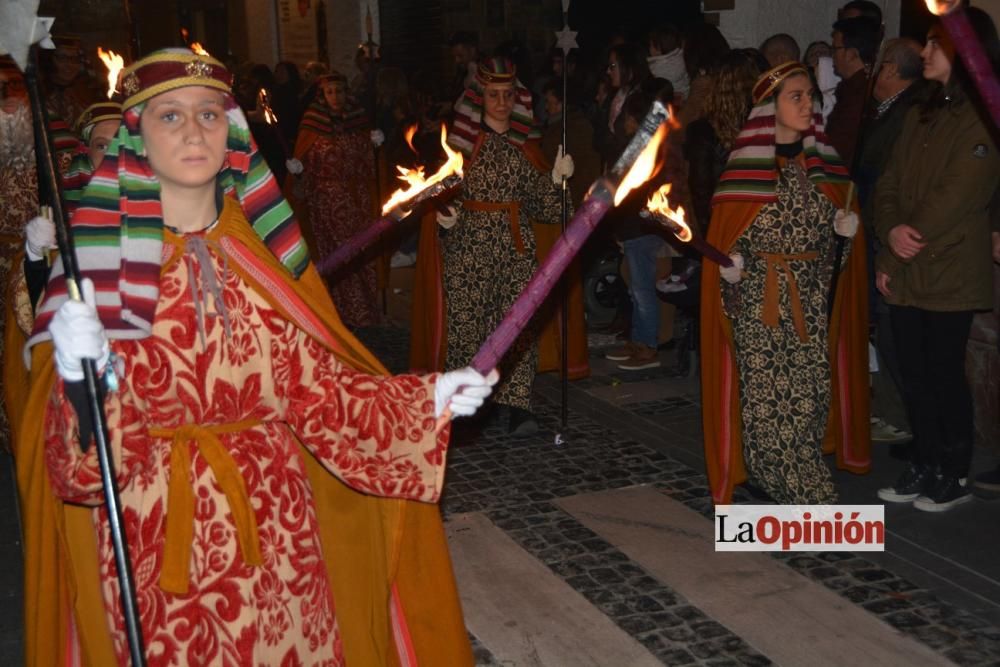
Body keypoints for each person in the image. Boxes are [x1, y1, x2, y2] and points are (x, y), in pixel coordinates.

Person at [18, 48, 496, 666]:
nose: (194, 130)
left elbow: (316, 389)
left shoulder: (257, 258)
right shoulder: (96, 269)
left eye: (210, 115)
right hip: (160, 543)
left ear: (234, 133)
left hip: (282, 542)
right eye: (170, 117)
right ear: (134, 139)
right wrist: (86, 379)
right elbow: (78, 471)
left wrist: (426, 397)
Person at [701, 61, 871, 504]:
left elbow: (835, 258)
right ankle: (777, 478)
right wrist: (730, 272)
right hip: (760, 303)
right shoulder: (741, 176)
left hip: (812, 303)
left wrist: (846, 235)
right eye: (795, 96)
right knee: (768, 396)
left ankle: (802, 470)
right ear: (768, 108)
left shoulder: (826, 172)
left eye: (809, 95)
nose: (806, 103)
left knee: (811, 392)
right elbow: (725, 242)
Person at [409, 57, 586, 437]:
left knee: (518, 325)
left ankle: (516, 404)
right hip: (468, 247)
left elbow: (547, 208)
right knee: (467, 329)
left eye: (508, 95)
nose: (502, 103)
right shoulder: (461, 148)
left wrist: (558, 181)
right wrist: (446, 217)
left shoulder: (527, 148)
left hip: (516, 248)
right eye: (493, 95)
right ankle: (466, 411)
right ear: (480, 98)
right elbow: (442, 194)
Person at [874, 9, 1000, 512]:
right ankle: (925, 463)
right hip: (907, 265)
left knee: (944, 373)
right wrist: (890, 235)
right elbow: (888, 184)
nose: (924, 53)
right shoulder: (919, 111)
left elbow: (958, 195)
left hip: (946, 265)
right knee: (913, 371)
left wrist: (904, 243)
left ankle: (954, 470)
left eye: (934, 44)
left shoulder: (983, 112)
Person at [854, 38, 925, 447]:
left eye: (882, 67)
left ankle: (904, 420)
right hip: (878, 223)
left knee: (899, 334)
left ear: (894, 72)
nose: (876, 74)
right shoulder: (887, 111)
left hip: (895, 231)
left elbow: (885, 173)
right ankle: (893, 412)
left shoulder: (908, 111)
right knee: (887, 327)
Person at [291, 71, 381, 327]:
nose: (335, 97)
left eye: (339, 91)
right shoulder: (312, 122)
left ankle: (367, 311)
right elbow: (303, 157)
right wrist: (298, 169)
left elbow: (368, 162)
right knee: (340, 253)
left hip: (358, 198)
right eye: (330, 92)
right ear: (322, 95)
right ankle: (341, 313)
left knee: (363, 249)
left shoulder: (358, 119)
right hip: (327, 200)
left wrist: (376, 147)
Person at [826, 16, 880, 167]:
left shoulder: (862, 92)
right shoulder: (850, 88)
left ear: (851, 54)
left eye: (835, 49)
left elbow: (838, 148)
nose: (832, 56)